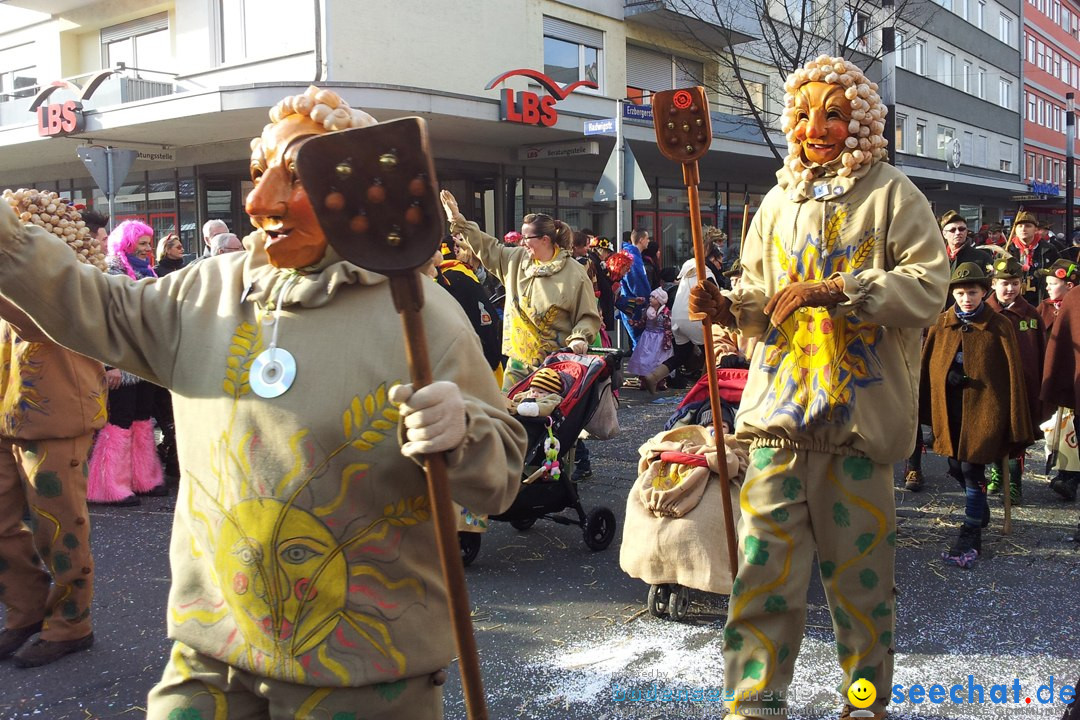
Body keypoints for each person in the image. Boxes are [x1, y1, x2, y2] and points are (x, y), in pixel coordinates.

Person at [0, 85, 526, 719]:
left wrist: (462, 428)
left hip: (363, 670)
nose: (258, 200)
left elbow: (498, 481)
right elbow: (95, 307)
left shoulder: (422, 314)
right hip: (209, 650)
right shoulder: (206, 292)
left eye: (296, 176)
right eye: (257, 174)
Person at [688, 55, 949, 720]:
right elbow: (758, 296)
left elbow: (928, 288)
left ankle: (865, 705)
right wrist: (725, 307)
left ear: (860, 121)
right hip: (777, 424)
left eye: (834, 113)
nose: (817, 127)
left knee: (863, 595)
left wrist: (840, 290)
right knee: (761, 585)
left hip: (855, 432)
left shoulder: (893, 194)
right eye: (804, 114)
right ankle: (753, 706)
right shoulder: (777, 202)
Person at [0, 238, 106, 667]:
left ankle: (71, 624)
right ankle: (24, 613)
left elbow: (37, 322)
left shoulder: (73, 281)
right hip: (8, 415)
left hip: (58, 421)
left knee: (59, 528)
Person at [920, 262, 1033, 567]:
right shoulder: (942, 323)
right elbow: (931, 365)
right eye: (960, 292)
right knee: (955, 466)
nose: (966, 298)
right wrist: (948, 375)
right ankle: (980, 508)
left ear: (984, 292)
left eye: (972, 291)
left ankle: (971, 531)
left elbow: (1010, 373)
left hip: (985, 411)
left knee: (972, 469)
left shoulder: (999, 325)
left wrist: (1012, 417)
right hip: (953, 410)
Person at [441, 192, 600, 391]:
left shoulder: (573, 273)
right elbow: (487, 246)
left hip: (555, 367)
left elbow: (588, 316)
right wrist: (458, 220)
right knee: (508, 415)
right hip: (517, 361)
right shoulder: (515, 259)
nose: (522, 242)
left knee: (543, 415)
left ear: (545, 240)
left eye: (527, 238)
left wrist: (579, 336)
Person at [88, 220, 167, 504]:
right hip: (122, 358)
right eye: (142, 244)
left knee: (143, 418)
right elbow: (107, 322)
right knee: (119, 420)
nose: (147, 249)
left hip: (144, 360)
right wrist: (111, 365)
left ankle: (144, 478)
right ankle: (108, 485)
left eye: (148, 244)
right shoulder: (111, 270)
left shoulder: (147, 271)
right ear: (127, 244)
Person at [984, 256, 1045, 504]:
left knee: (1018, 433)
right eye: (1004, 283)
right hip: (991, 386)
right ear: (993, 284)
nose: (1009, 289)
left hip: (1021, 386)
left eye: (1015, 284)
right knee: (991, 430)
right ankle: (997, 474)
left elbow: (1039, 352)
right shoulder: (984, 312)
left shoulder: (1030, 314)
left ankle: (1015, 481)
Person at [626, 287, 673, 392]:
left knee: (660, 360)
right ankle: (643, 379)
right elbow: (642, 322)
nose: (650, 299)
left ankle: (660, 380)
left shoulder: (666, 312)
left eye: (653, 297)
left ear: (660, 300)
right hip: (647, 339)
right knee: (645, 359)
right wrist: (634, 323)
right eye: (650, 297)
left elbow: (668, 327)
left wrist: (668, 340)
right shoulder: (647, 311)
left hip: (660, 339)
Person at [1008, 209, 1060, 304]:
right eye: (1020, 226)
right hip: (1013, 299)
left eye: (1028, 226)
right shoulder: (1006, 250)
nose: (1023, 229)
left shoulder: (1049, 249)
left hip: (1041, 298)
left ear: (1036, 229)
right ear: (1015, 229)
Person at [618, 229, 652, 348]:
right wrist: (648, 300)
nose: (649, 241)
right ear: (641, 240)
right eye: (647, 238)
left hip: (632, 304)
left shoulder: (634, 256)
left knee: (639, 342)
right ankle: (639, 366)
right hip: (634, 305)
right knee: (639, 343)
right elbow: (637, 283)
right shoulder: (633, 259)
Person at [940, 210, 991, 276]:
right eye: (952, 230)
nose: (958, 233)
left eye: (961, 229)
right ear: (944, 234)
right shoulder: (936, 258)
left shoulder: (982, 257)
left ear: (966, 231)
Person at [1038, 258, 1078, 333]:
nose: (1047, 288)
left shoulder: (1076, 308)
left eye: (1052, 284)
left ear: (1069, 285)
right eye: (1047, 284)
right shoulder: (1045, 306)